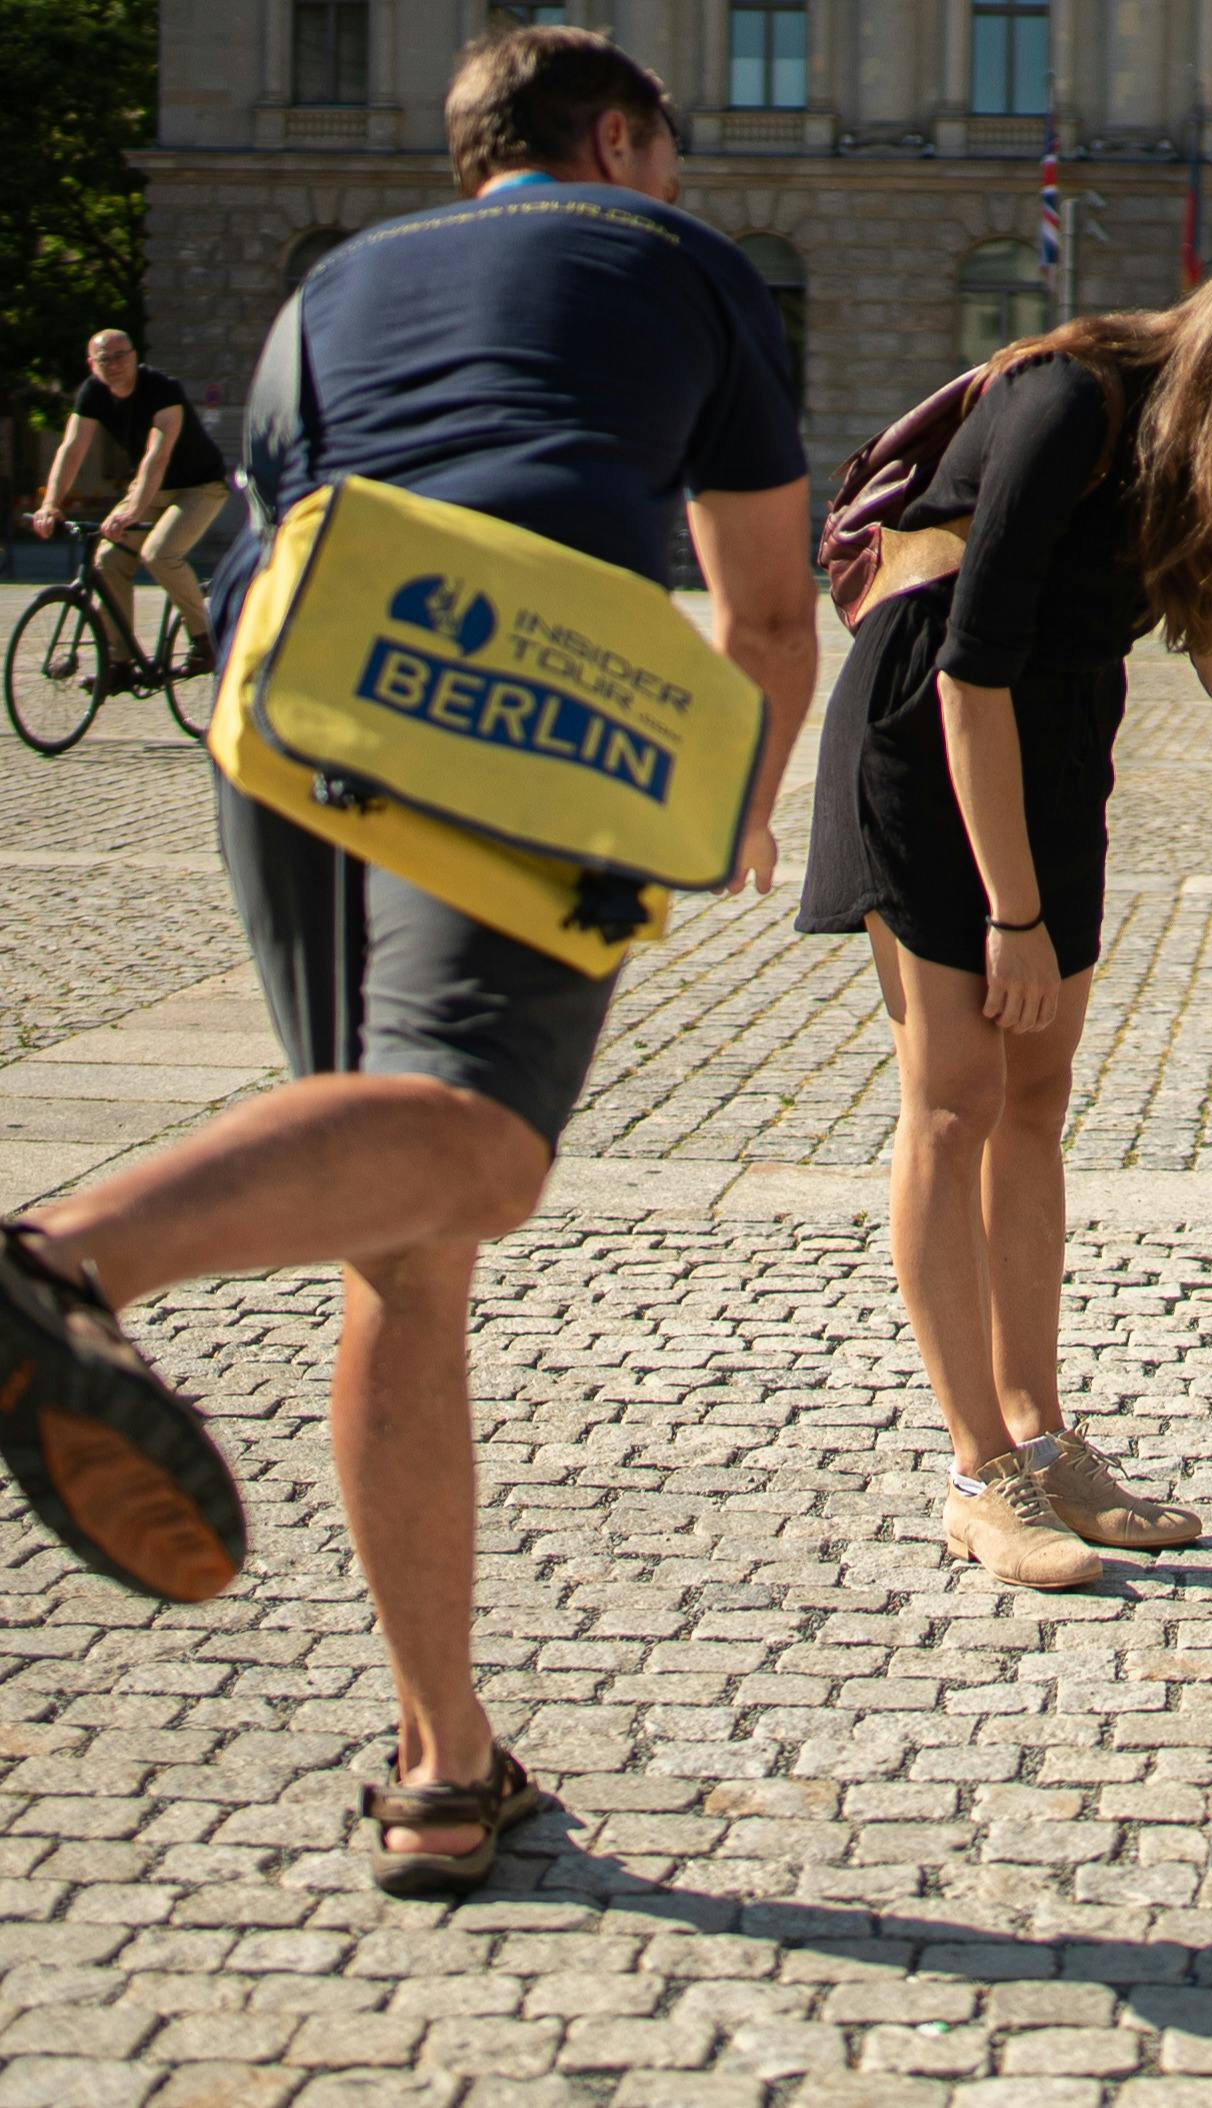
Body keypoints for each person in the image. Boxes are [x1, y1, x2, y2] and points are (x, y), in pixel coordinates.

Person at [0, 26, 816, 1893]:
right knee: (479, 1139)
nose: (676, 191)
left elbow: (265, 529)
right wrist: (736, 804)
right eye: (666, 159)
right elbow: (769, 604)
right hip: (510, 674)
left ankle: (443, 1761)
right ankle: (60, 1264)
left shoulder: (333, 284)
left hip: (281, 699)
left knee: (402, 1225)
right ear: (618, 140)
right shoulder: (675, 259)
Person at [797, 221, 1212, 1583]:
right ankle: (976, 1471)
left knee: (1036, 1096)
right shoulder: (1071, 395)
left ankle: (1042, 1432)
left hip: (1063, 732)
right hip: (932, 724)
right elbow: (967, 661)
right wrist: (1013, 911)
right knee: (953, 1094)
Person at [27, 330, 234, 679]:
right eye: (105, 359)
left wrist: (133, 511)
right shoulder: (93, 392)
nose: (115, 365)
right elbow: (72, 447)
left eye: (121, 356)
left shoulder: (161, 389)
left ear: (134, 355)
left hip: (199, 486)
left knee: (160, 554)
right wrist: (50, 504)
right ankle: (119, 662)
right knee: (107, 559)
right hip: (151, 488)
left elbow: (158, 453)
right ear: (92, 364)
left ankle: (205, 639)